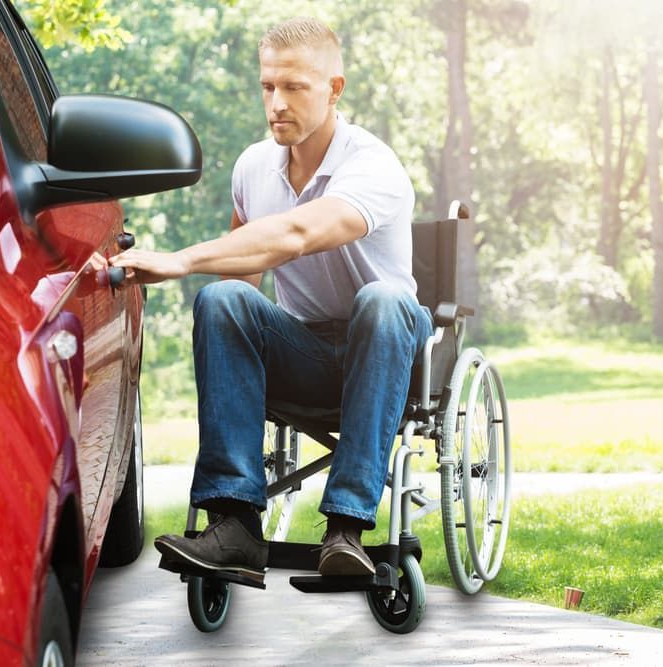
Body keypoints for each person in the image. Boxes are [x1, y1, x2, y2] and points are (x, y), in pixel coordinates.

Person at [109, 17, 432, 583]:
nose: (276, 103)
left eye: (294, 88)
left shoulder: (372, 164)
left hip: (381, 358)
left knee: (383, 300)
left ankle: (347, 529)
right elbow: (246, 265)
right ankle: (233, 524)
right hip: (302, 352)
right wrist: (232, 360)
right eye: (267, 87)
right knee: (223, 298)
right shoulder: (253, 166)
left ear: (334, 89)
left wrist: (181, 259)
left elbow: (298, 235)